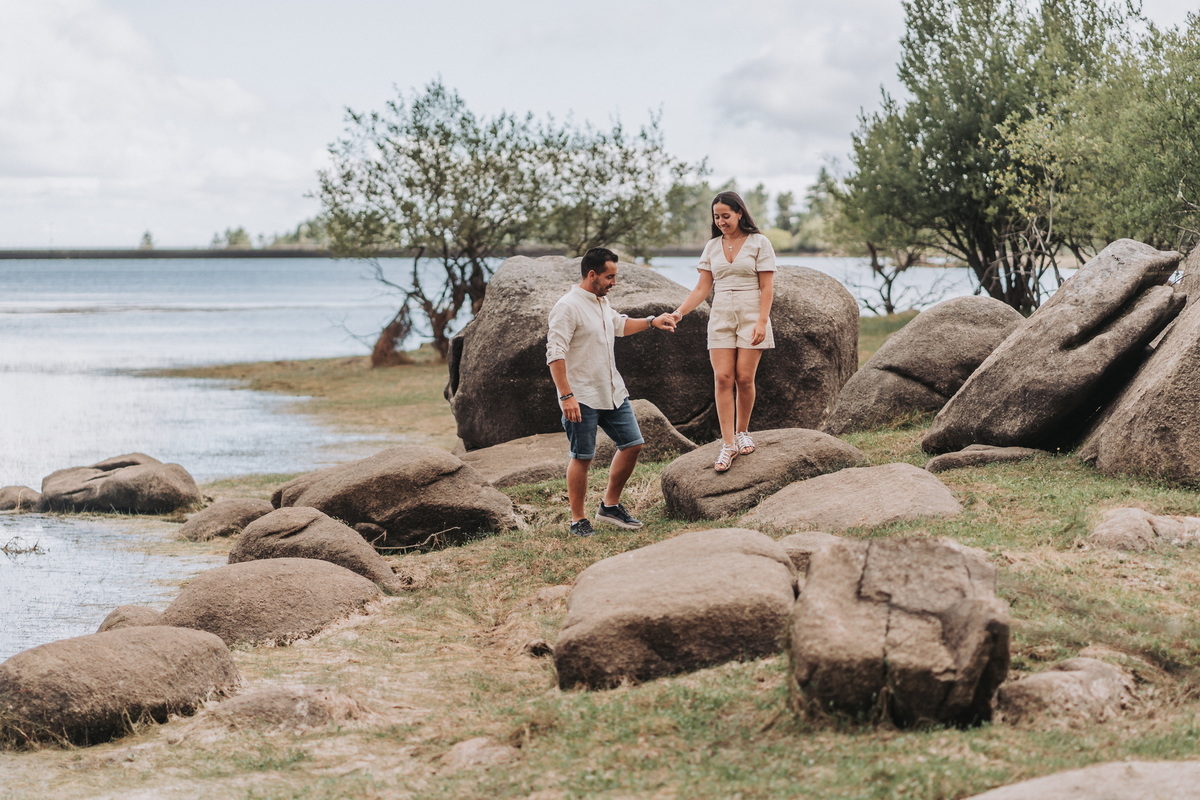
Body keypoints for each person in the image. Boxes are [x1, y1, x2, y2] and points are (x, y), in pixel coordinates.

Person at [546, 247, 676, 537]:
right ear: (592, 275)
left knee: (633, 445)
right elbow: (555, 354)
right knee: (582, 456)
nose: (613, 283)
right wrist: (566, 396)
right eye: (609, 277)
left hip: (613, 391)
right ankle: (578, 520)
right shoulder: (567, 306)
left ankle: (609, 506)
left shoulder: (601, 302)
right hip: (581, 396)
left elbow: (620, 325)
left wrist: (652, 321)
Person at [669, 191, 776, 472]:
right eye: (717, 217)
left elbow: (767, 287)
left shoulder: (759, 243)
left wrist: (762, 322)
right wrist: (680, 312)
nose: (721, 222)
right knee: (722, 378)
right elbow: (702, 287)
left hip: (752, 313)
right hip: (720, 317)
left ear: (740, 213)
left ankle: (742, 432)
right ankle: (728, 444)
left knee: (744, 377)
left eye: (726, 216)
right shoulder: (712, 246)